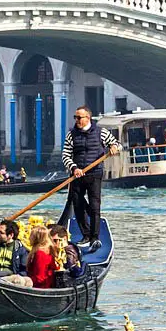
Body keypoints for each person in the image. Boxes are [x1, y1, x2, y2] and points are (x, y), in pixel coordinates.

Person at [58, 105, 120, 248]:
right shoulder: (71, 134)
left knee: (94, 206)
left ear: (88, 118)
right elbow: (66, 155)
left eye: (79, 117)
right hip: (77, 175)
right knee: (78, 204)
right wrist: (74, 168)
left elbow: (118, 145)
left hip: (94, 173)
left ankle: (95, 237)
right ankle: (85, 235)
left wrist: (114, 147)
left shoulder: (101, 133)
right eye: (76, 117)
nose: (77, 120)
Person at [0, 219, 32, 286]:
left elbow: (24, 269)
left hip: (12, 277)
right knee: (19, 280)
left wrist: (19, 275)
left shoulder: (20, 249)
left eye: (1, 233)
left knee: (29, 281)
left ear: (11, 235)